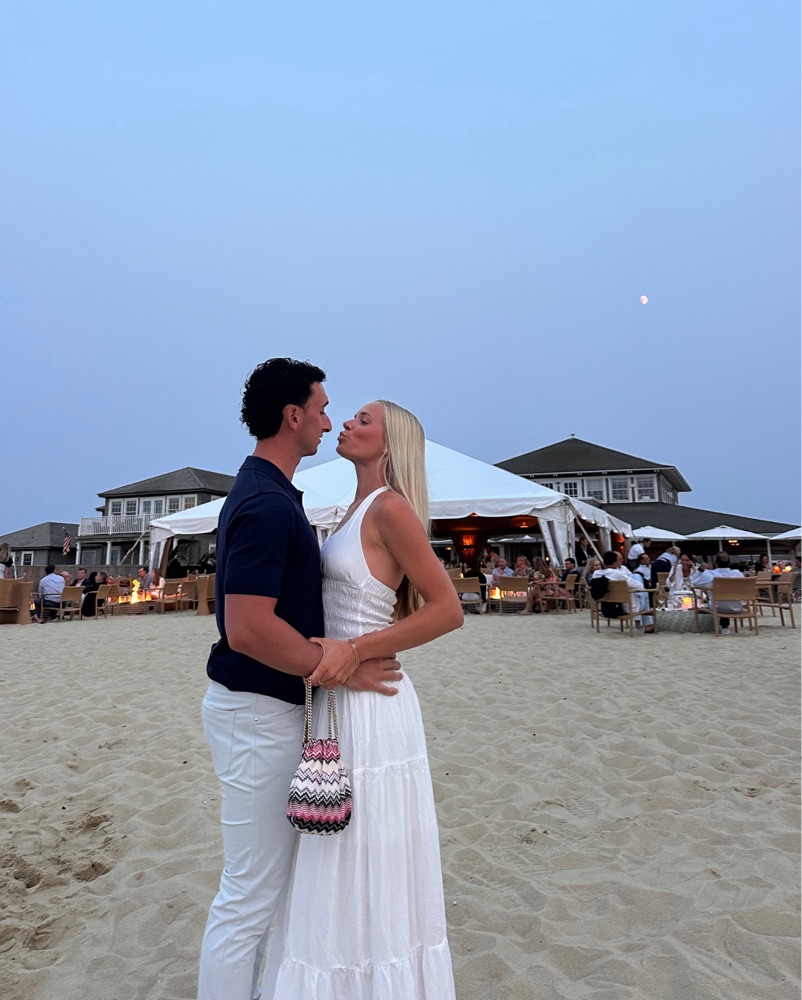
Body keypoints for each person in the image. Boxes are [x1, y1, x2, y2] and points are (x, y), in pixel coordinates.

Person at [198, 359, 405, 1000]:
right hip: (257, 713)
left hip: (267, 708)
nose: (327, 420)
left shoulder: (273, 491)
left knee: (270, 890)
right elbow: (247, 627)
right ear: (293, 416)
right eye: (320, 408)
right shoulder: (266, 501)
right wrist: (335, 661)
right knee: (249, 896)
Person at [262, 398, 462, 1000]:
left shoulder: (391, 508)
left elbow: (446, 610)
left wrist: (355, 650)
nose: (346, 424)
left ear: (390, 442)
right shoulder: (353, 509)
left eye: (363, 420)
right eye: (348, 416)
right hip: (339, 693)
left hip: (373, 700)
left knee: (363, 844)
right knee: (336, 842)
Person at [591, 551, 654, 633]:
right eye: (619, 559)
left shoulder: (596, 574)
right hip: (628, 608)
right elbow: (639, 587)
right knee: (643, 590)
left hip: (608, 607)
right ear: (615, 562)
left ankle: (646, 624)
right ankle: (648, 625)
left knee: (636, 585)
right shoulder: (617, 574)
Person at [691, 552, 744, 635]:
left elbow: (694, 583)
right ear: (729, 562)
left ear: (716, 563)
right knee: (725, 600)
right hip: (736, 607)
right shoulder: (738, 574)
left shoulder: (709, 574)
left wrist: (700, 570)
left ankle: (719, 625)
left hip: (717, 607)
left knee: (718, 602)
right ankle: (724, 626)